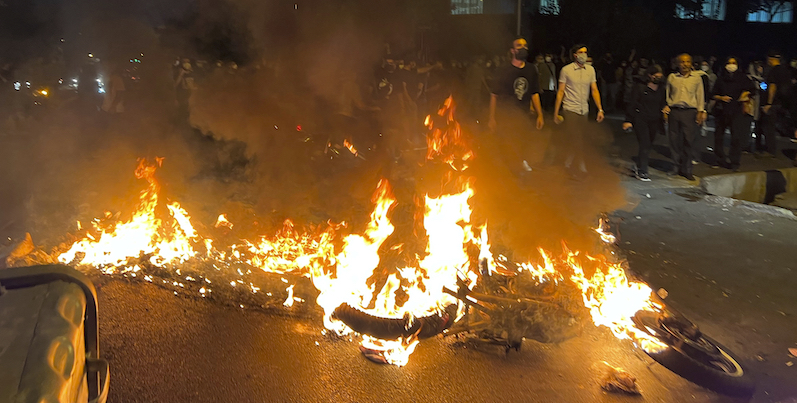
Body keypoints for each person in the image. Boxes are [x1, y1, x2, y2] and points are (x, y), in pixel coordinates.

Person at [487, 37, 544, 173]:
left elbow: (534, 93)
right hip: (506, 114)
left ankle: (519, 164)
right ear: (512, 51)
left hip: (523, 113)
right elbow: (494, 95)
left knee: (523, 140)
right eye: (519, 46)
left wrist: (540, 115)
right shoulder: (503, 70)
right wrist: (491, 118)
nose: (523, 48)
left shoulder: (531, 69)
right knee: (507, 143)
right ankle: (508, 171)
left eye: (525, 45)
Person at [552, 44, 605, 177]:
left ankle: (568, 162)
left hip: (583, 109)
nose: (583, 54)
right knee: (575, 137)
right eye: (581, 52)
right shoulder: (566, 70)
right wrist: (556, 112)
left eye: (585, 52)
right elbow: (561, 91)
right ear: (575, 55)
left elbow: (594, 90)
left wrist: (600, 109)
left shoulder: (590, 70)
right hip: (570, 108)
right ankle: (576, 165)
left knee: (581, 137)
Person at [663, 53, 707, 181]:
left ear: (691, 63)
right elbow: (667, 94)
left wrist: (701, 111)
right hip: (675, 111)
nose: (685, 64)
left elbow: (700, 95)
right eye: (682, 62)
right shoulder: (672, 77)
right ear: (677, 64)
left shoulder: (696, 78)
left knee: (689, 140)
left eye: (687, 61)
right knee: (674, 140)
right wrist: (666, 109)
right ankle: (676, 166)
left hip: (689, 112)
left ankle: (687, 169)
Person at [710, 57, 755, 171]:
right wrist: (721, 98)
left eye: (734, 63)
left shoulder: (743, 78)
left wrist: (745, 95)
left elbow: (753, 90)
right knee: (718, 137)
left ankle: (734, 162)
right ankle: (719, 159)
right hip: (721, 111)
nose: (731, 65)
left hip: (737, 111)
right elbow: (713, 94)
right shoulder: (721, 79)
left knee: (736, 138)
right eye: (729, 63)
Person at [623, 65, 666, 181]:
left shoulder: (662, 88)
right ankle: (642, 171)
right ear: (650, 76)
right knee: (645, 144)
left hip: (655, 120)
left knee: (649, 144)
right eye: (656, 76)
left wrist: (665, 109)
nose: (658, 78)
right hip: (641, 119)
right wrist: (628, 120)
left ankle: (640, 165)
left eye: (660, 75)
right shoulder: (640, 87)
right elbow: (632, 103)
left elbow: (663, 102)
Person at [759, 51, 792, 158]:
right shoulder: (786, 70)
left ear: (771, 59)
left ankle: (770, 151)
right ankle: (771, 149)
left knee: (769, 127)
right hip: (783, 103)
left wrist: (768, 103)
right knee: (775, 126)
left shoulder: (773, 71)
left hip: (773, 103)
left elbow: (772, 87)